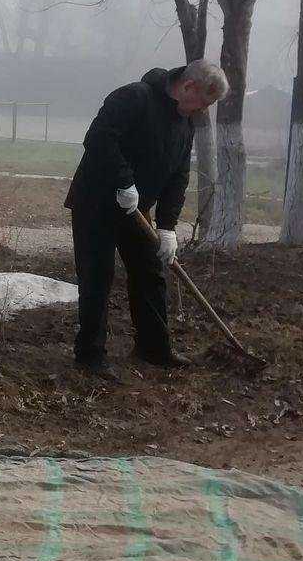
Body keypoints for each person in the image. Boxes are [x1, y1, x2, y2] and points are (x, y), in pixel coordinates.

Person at [64, 59, 229, 378]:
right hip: (97, 203)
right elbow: (98, 139)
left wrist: (168, 227)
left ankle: (153, 348)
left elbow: (178, 175)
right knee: (98, 276)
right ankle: (90, 355)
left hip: (137, 211)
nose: (202, 110)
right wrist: (123, 181)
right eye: (203, 102)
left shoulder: (185, 123)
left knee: (150, 273)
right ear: (188, 86)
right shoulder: (135, 98)